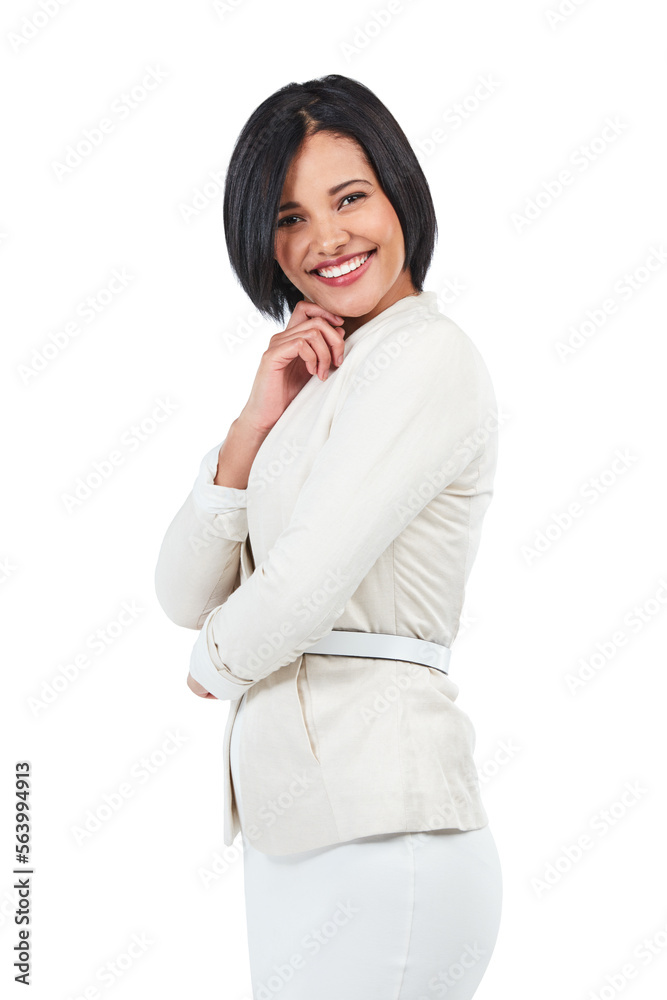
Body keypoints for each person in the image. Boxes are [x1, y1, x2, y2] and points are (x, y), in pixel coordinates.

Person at [155, 73, 503, 999]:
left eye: (349, 198)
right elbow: (179, 590)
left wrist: (212, 662)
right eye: (288, 218)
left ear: (399, 192)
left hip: (384, 829)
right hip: (299, 827)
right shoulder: (315, 379)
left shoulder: (426, 355)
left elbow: (302, 583)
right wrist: (249, 428)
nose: (324, 240)